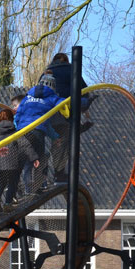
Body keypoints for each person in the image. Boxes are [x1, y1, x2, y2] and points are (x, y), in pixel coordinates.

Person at [42, 52, 94, 184]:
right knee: (64, 142)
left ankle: (52, 175)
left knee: (57, 142)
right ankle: (59, 174)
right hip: (66, 112)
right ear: (66, 60)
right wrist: (85, 109)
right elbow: (84, 91)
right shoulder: (70, 70)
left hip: (48, 114)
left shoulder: (46, 73)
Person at [14, 71, 68, 193]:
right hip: (37, 132)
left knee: (25, 159)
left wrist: (17, 129)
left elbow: (18, 115)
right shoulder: (51, 97)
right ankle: (38, 186)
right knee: (40, 158)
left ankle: (19, 187)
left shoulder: (27, 98)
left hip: (22, 132)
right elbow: (64, 103)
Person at [0, 107, 40, 212]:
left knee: (1, 183)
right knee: (13, 183)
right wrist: (34, 158)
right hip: (11, 164)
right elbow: (25, 145)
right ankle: (7, 203)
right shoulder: (14, 132)